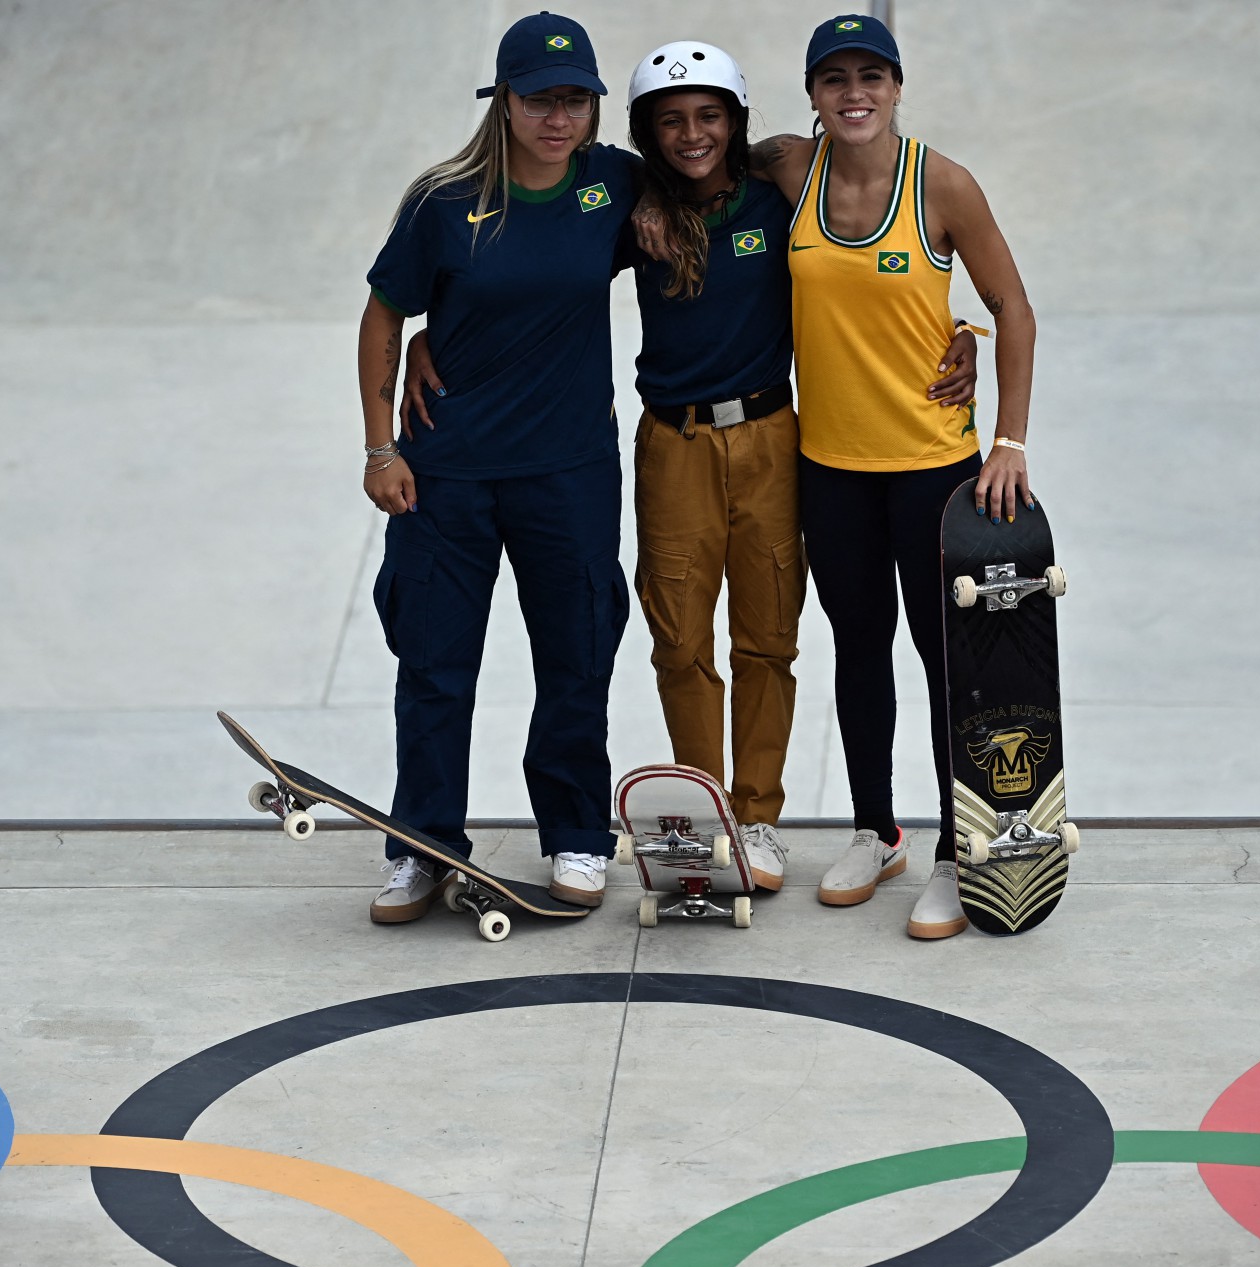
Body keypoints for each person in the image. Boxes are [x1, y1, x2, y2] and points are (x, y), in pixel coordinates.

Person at [408, 40, 978, 895]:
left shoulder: (781, 189)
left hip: (771, 438)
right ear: (642, 131)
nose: (691, 134)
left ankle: (756, 820)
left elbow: (867, 265)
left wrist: (960, 330)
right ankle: (702, 812)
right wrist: (433, 331)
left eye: (709, 116)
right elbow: (526, 263)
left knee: (768, 637)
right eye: (670, 121)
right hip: (670, 441)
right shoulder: (629, 201)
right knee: (678, 638)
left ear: (736, 119)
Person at [749, 14, 1038, 938]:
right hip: (830, 468)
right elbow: (694, 153)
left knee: (944, 660)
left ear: (899, 86)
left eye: (871, 76)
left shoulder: (941, 184)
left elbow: (1012, 307)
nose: (854, 94)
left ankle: (963, 849)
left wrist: (1009, 441)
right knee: (858, 648)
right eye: (834, 80)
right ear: (813, 97)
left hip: (932, 470)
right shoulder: (791, 170)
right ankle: (877, 831)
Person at [355, 12, 639, 922]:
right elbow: (381, 317)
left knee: (576, 659)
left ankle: (579, 838)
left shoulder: (616, 184)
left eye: (575, 100)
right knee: (435, 665)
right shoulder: (444, 200)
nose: (559, 118)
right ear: (503, 102)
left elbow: (723, 211)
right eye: (538, 99)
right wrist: (379, 446)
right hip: (451, 475)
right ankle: (423, 847)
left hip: (570, 473)